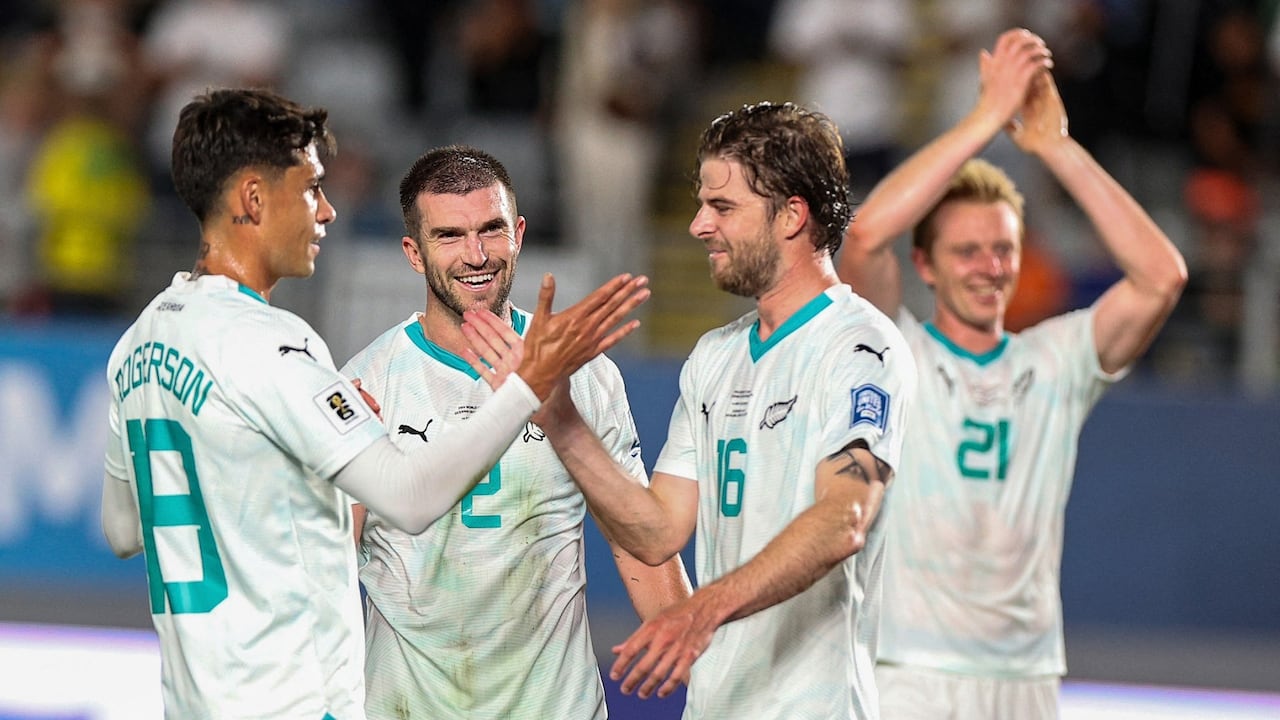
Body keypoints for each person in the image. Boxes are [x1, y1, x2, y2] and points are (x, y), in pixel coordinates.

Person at [99, 88, 650, 720]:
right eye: (310, 188)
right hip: (290, 699)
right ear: (254, 199)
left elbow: (122, 530)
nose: (328, 212)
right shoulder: (278, 349)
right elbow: (409, 500)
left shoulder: (140, 341)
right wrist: (528, 386)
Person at [466, 101, 917, 719]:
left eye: (723, 207)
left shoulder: (861, 348)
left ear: (791, 215)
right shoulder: (715, 356)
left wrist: (699, 612)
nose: (698, 226)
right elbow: (657, 533)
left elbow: (844, 520)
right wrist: (558, 416)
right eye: (704, 205)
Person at [837, 29, 1188, 719]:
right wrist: (985, 119)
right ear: (927, 266)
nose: (990, 266)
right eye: (966, 251)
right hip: (908, 669)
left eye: (1003, 249)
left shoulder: (1056, 360)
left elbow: (1161, 277)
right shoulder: (896, 354)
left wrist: (1054, 144)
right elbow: (867, 235)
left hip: (1026, 675)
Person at [341, 145, 692, 719]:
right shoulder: (366, 386)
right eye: (449, 236)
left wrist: (704, 661)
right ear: (413, 251)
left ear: (520, 233)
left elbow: (641, 548)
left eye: (491, 230)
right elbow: (327, 573)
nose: (476, 255)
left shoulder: (586, 375)